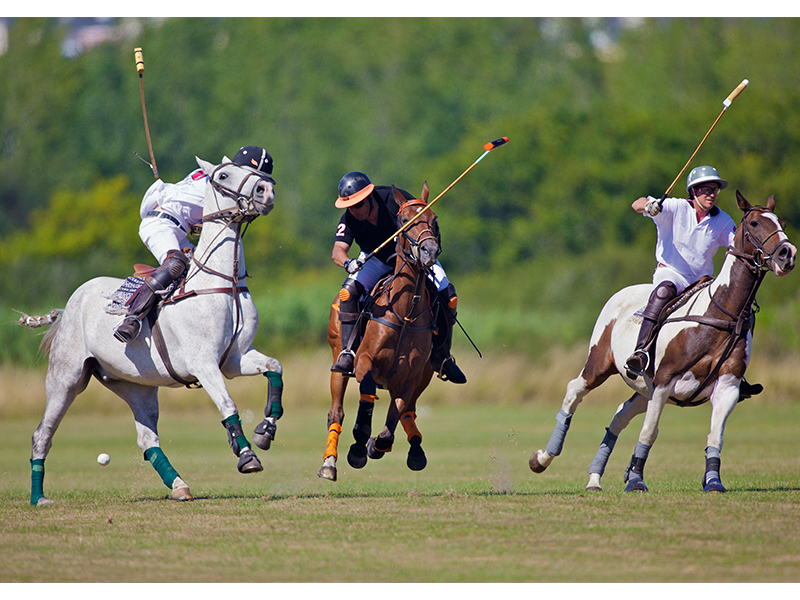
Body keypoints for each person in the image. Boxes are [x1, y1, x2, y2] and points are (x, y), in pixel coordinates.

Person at [624, 165, 762, 398]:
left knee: (743, 311)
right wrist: (650, 206)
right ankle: (641, 353)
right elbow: (636, 203)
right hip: (671, 274)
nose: (712, 194)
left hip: (701, 284)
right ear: (693, 191)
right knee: (662, 294)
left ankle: (736, 372)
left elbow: (737, 245)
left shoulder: (723, 220)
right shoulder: (675, 207)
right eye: (706, 189)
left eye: (715, 190)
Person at [113, 146, 275, 343]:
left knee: (202, 273)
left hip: (180, 229)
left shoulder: (222, 179)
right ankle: (132, 318)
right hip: (160, 223)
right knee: (176, 264)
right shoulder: (222, 183)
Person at [330, 171, 466, 384]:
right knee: (348, 293)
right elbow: (338, 249)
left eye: (357, 205)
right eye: (349, 206)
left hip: (412, 258)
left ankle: (442, 356)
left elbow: (423, 220)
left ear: (369, 198)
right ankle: (348, 353)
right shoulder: (349, 218)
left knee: (448, 295)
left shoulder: (394, 201)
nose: (353, 210)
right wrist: (349, 262)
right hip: (375, 259)